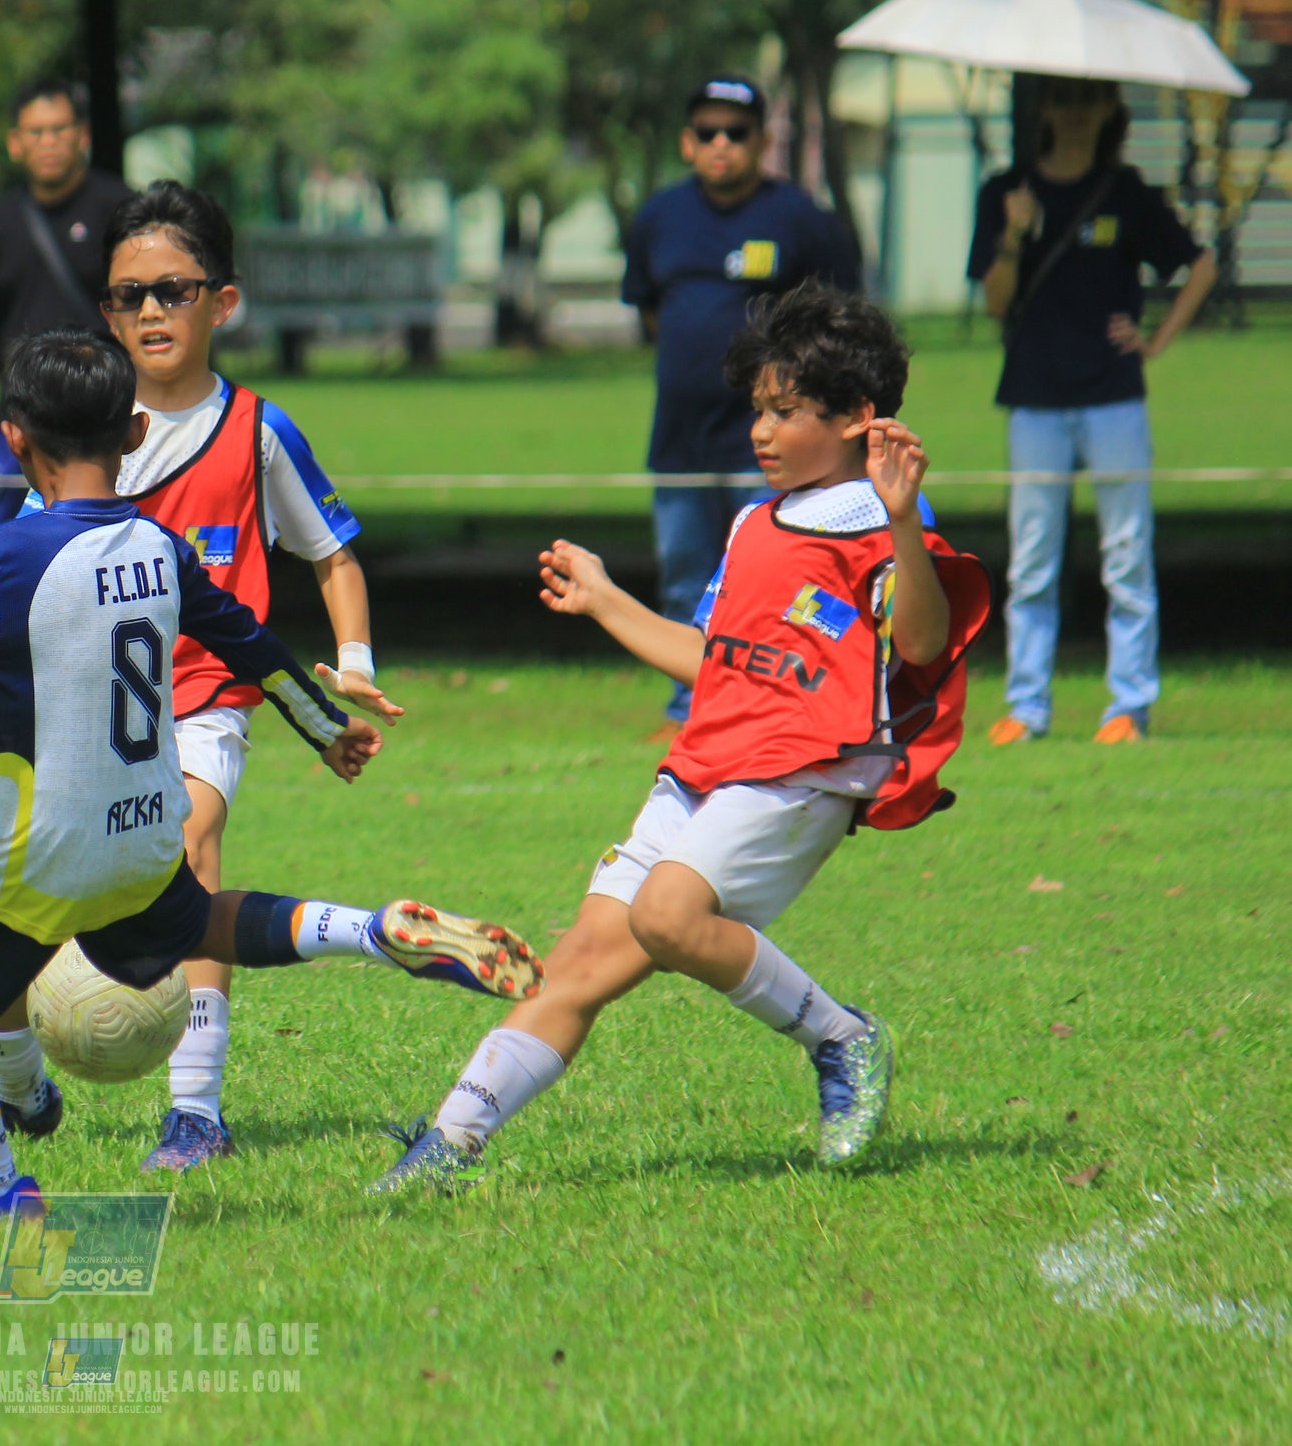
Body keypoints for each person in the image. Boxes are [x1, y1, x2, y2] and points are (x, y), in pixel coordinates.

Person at [0, 329, 542, 1224]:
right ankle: (370, 930)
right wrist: (323, 728)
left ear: (14, 440)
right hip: (145, 832)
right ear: (132, 432)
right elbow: (250, 642)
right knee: (205, 922)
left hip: (43, 849)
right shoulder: (161, 546)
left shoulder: (4, 560)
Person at [371, 282, 991, 1194]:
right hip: (704, 763)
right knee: (575, 966)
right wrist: (604, 598)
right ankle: (447, 1145)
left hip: (804, 772)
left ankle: (841, 1036)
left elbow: (925, 642)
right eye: (758, 411)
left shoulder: (880, 525)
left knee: (666, 914)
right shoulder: (751, 522)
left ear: (859, 416)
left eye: (786, 412)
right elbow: (711, 660)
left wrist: (903, 516)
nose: (762, 432)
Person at [0, 182, 404, 1173]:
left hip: (204, 699)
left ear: (225, 300)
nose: (149, 312)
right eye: (127, 295)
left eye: (173, 290)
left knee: (187, 848)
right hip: (76, 709)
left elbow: (332, 552)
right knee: (32, 879)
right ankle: (8, 1082)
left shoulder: (256, 430)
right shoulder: (77, 418)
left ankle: (196, 1107)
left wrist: (350, 661)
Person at [968, 75, 1215, 746]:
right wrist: (1014, 235)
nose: (1074, 114)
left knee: (1127, 552)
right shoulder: (1004, 191)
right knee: (1031, 561)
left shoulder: (1127, 192)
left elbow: (1198, 264)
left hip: (1113, 396)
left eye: (1088, 100)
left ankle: (1127, 706)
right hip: (1034, 398)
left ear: (1108, 110)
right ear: (1043, 109)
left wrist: (1156, 340)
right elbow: (993, 300)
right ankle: (1025, 707)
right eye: (1062, 100)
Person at [622, 75, 863, 724]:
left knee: (768, 575)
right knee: (681, 572)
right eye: (707, 131)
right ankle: (688, 706)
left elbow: (840, 321)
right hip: (677, 437)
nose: (720, 143)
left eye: (736, 131)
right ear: (685, 142)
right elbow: (648, 313)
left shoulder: (800, 219)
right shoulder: (657, 219)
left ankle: (767, 701)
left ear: (762, 141)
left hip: (766, 443)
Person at [0, 78, 135, 524]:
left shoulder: (120, 208)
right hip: (19, 418)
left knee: (107, 531)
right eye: (35, 132)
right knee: (11, 543)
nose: (48, 141)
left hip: (102, 410)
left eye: (59, 129)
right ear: (15, 143)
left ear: (82, 135)